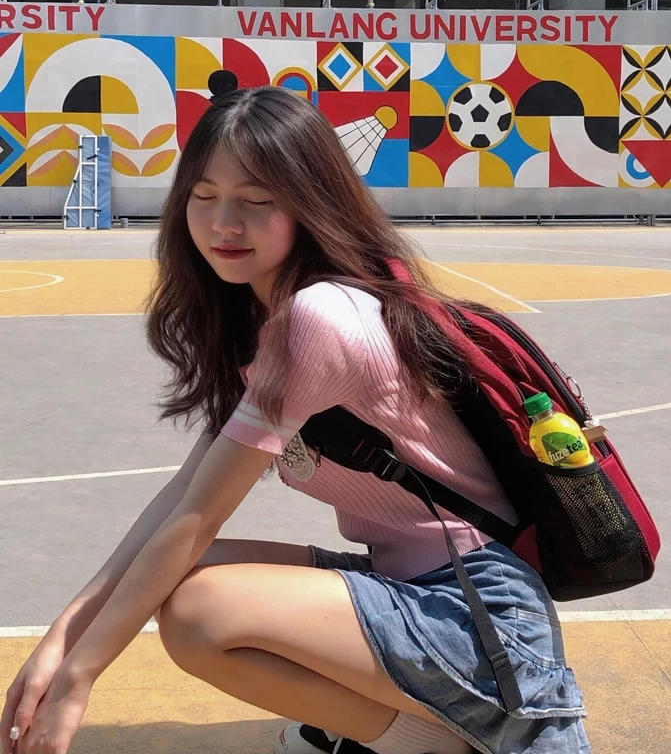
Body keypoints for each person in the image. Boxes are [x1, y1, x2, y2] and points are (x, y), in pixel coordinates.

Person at [1, 87, 591, 754]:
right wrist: (57, 645)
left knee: (198, 609)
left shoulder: (320, 317)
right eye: (203, 194)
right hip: (411, 587)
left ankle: (430, 739)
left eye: (256, 200)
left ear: (310, 204)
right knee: (177, 576)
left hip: (480, 619)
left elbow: (198, 514)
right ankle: (415, 735)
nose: (224, 222)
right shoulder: (263, 320)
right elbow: (180, 497)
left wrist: (78, 678)